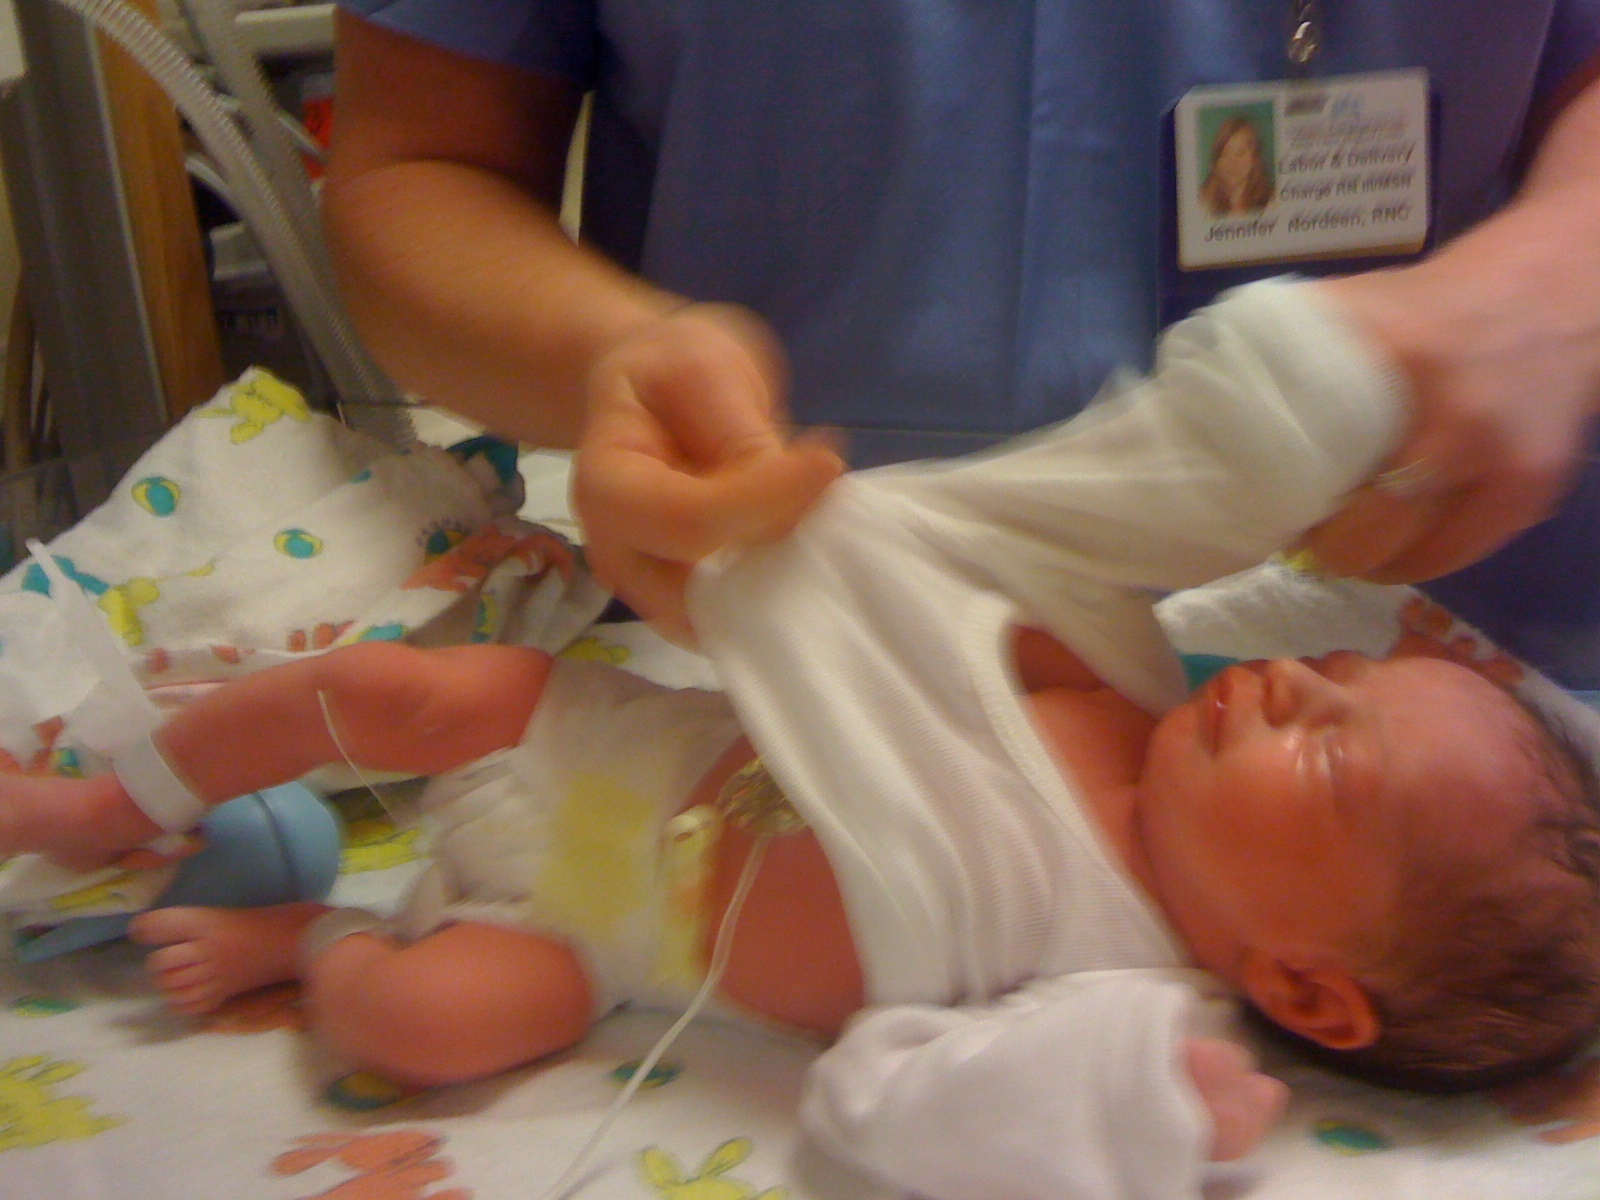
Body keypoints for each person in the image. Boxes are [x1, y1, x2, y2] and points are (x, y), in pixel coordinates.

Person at [5, 283, 1600, 1199]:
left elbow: (880, 1103)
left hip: (602, 933)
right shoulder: (1118, 683)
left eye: (1337, 758)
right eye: (1335, 666)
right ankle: (109, 803)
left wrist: (1132, 1110)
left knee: (430, 1023)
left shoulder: (1127, 995)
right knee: (385, 691)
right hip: (598, 741)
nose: (1292, 683)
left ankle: (307, 942)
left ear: (1305, 989)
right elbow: (1014, 541)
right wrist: (1258, 438)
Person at [321, 2, 1600, 640]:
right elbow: (420, 165)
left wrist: (1548, 286)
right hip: (780, 641)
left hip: (1436, 649)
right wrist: (612, 356)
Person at [1199, 115, 1275, 216]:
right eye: (1225, 154)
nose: (1232, 163)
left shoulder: (1272, 203)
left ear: (1255, 158)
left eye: (1240, 153)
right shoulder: (1201, 203)